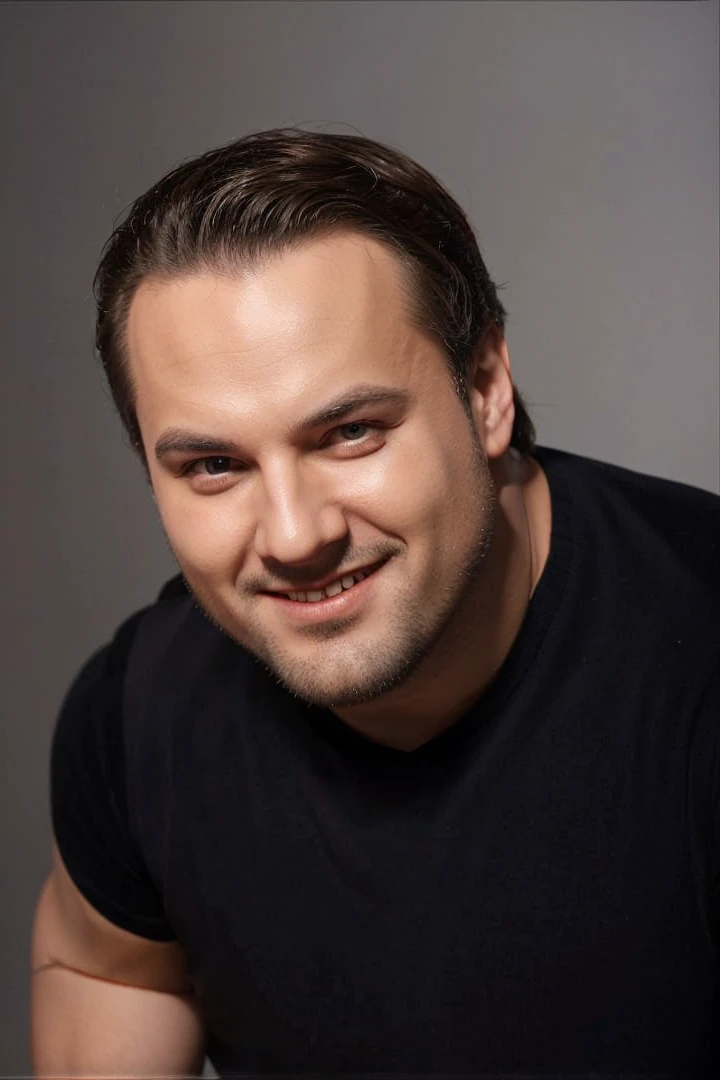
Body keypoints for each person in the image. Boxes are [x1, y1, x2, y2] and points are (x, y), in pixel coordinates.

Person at [31, 128, 719, 1079]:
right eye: (215, 465)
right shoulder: (142, 711)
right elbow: (105, 964)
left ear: (484, 392)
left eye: (350, 432)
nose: (293, 533)